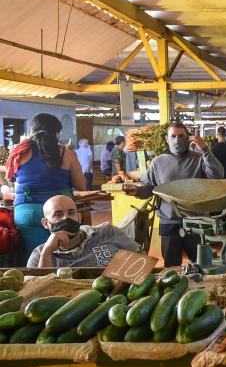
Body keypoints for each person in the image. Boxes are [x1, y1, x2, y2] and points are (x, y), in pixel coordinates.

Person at [125, 122, 224, 267]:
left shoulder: (198, 159)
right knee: (171, 268)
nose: (177, 139)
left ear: (188, 138)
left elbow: (217, 175)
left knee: (202, 265)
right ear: (167, 138)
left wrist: (205, 149)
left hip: (196, 222)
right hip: (169, 223)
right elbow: (149, 187)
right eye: (173, 136)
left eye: (181, 136)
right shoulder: (158, 163)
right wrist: (137, 191)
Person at [5, 113, 86, 262]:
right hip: (61, 213)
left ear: (32, 131)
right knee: (64, 256)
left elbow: (11, 177)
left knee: (35, 257)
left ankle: (36, 282)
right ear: (56, 132)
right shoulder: (66, 154)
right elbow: (81, 184)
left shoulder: (19, 152)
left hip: (27, 212)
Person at [27, 195, 138, 267]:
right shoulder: (39, 255)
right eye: (58, 214)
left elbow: (140, 257)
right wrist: (47, 252)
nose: (66, 218)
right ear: (46, 223)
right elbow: (39, 290)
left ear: (79, 218)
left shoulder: (107, 232)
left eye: (71, 213)